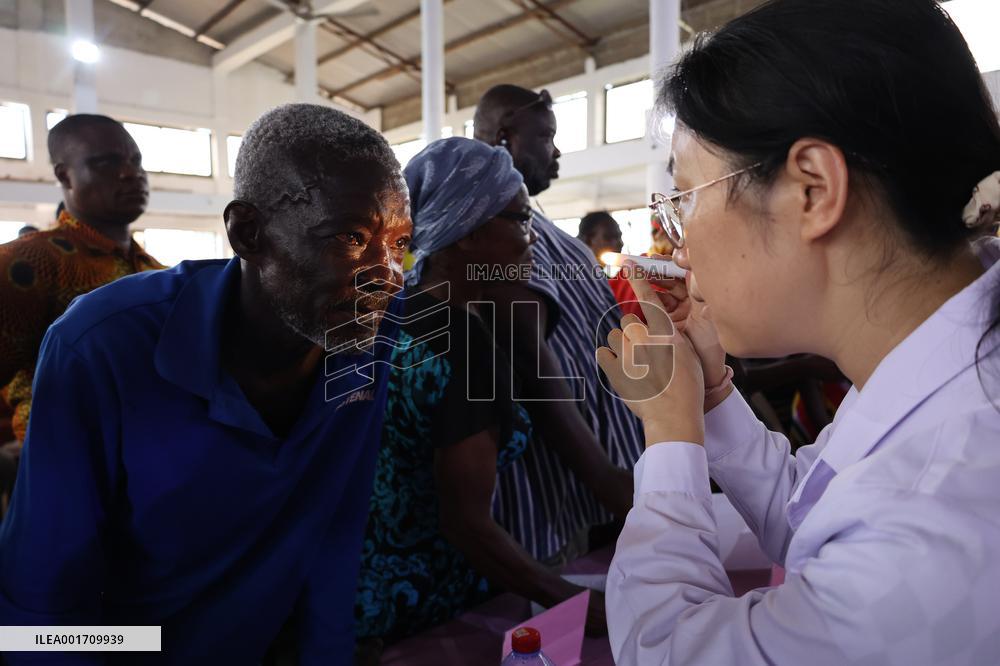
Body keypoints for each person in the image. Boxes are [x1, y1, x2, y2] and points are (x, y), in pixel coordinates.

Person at [596, 1, 1000, 663]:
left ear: (812, 190)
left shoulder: (935, 517)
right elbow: (812, 508)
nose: (675, 239)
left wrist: (670, 436)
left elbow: (667, 648)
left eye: (685, 195)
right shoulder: (945, 359)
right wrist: (713, 396)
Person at [0, 104, 412, 664]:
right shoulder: (101, 347)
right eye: (351, 236)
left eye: (399, 243)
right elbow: (42, 612)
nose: (387, 272)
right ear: (247, 232)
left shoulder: (365, 333)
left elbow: (333, 536)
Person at [354, 138, 606, 660]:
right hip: (430, 608)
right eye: (518, 220)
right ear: (465, 233)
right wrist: (580, 603)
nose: (531, 238)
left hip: (360, 596)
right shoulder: (465, 346)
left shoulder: (388, 315)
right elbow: (466, 524)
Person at [473, 85, 641, 562]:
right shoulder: (503, 224)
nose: (557, 150)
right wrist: (606, 478)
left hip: (590, 491)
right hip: (560, 496)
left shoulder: (528, 219)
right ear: (505, 137)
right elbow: (529, 363)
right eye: (546, 136)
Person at [0, 115, 163, 445]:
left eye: (136, 161)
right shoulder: (29, 262)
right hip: (62, 467)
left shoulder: (155, 270)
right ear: (65, 175)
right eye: (106, 162)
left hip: (154, 464)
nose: (131, 173)